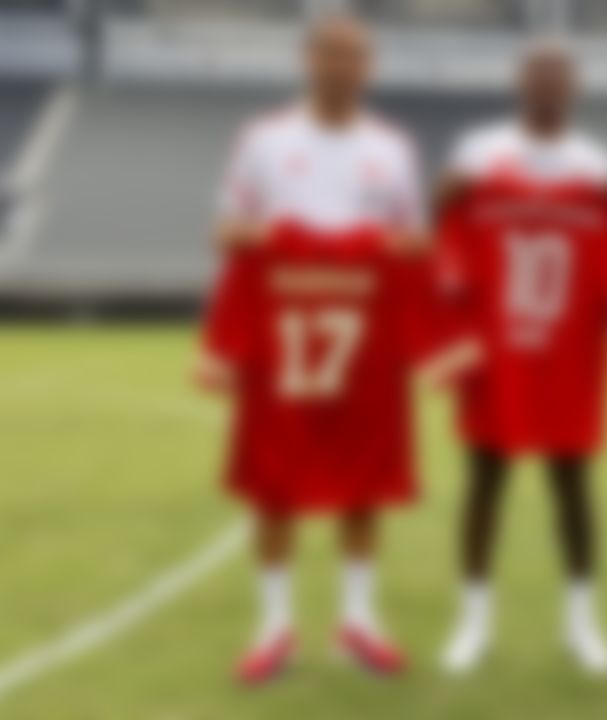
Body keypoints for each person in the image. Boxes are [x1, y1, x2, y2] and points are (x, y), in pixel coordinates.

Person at [196, 12, 429, 683]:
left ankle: (358, 622)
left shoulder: (392, 147)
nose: (342, 67)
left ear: (371, 68)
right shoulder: (264, 140)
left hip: (364, 345)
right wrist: (285, 241)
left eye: (355, 57)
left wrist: (368, 252)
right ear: (307, 61)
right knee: (274, 487)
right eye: (330, 55)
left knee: (366, 484)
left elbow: (413, 245)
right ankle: (274, 629)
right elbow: (227, 232)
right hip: (283, 342)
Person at [435, 38, 607, 676]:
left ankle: (582, 623)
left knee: (572, 485)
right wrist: (446, 195)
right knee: (484, 480)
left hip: (569, 355)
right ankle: (473, 623)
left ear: (575, 87)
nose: (547, 84)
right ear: (518, 82)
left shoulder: (600, 169)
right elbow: (440, 232)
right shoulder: (478, 154)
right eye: (537, 74)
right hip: (496, 350)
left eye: (559, 75)